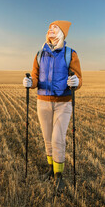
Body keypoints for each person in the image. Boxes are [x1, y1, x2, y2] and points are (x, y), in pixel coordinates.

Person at [23, 20, 82, 192]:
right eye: (49, 28)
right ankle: (51, 169)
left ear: (62, 33)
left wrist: (76, 82)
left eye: (55, 28)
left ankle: (59, 176)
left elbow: (78, 78)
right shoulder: (40, 54)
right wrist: (29, 82)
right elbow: (35, 78)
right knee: (47, 138)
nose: (51, 29)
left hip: (63, 103)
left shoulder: (71, 54)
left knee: (57, 139)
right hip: (43, 102)